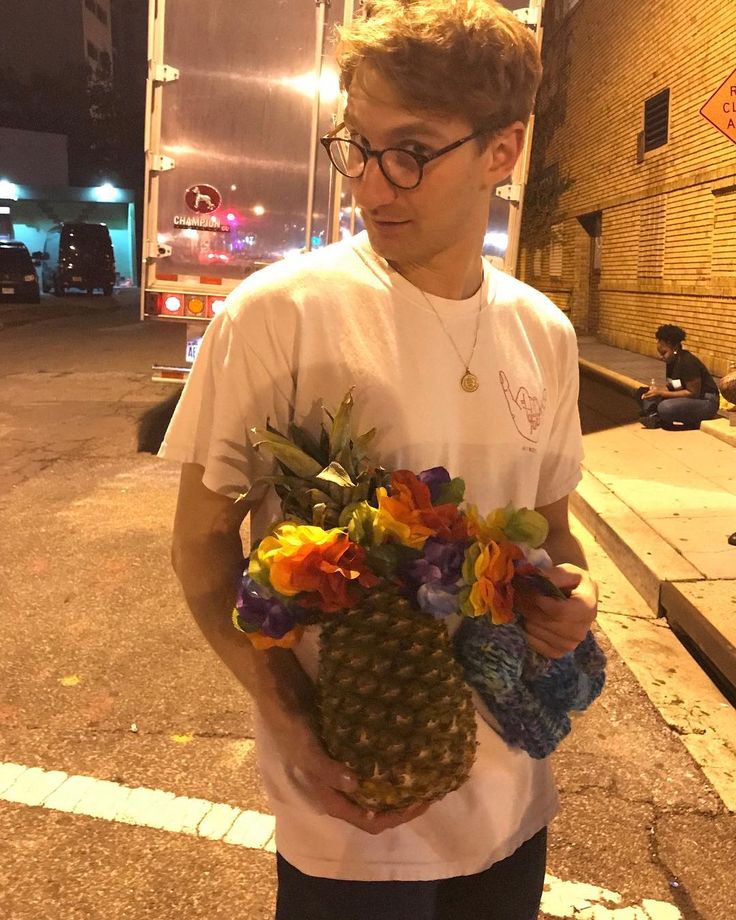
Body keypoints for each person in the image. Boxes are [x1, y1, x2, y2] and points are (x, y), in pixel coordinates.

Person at [159, 2, 599, 918]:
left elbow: (556, 534)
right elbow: (201, 550)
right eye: (356, 145)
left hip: (512, 800)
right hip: (349, 811)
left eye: (411, 149)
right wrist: (287, 719)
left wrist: (575, 596)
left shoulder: (544, 335)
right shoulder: (280, 313)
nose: (371, 183)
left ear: (501, 151)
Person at [638, 324, 720, 430]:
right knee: (642, 392)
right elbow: (673, 386)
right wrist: (655, 392)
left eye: (663, 353)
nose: (661, 357)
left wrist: (661, 393)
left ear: (675, 348)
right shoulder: (672, 361)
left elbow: (692, 393)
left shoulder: (688, 362)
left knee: (665, 407)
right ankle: (655, 415)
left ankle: (657, 415)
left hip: (705, 401)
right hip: (687, 398)